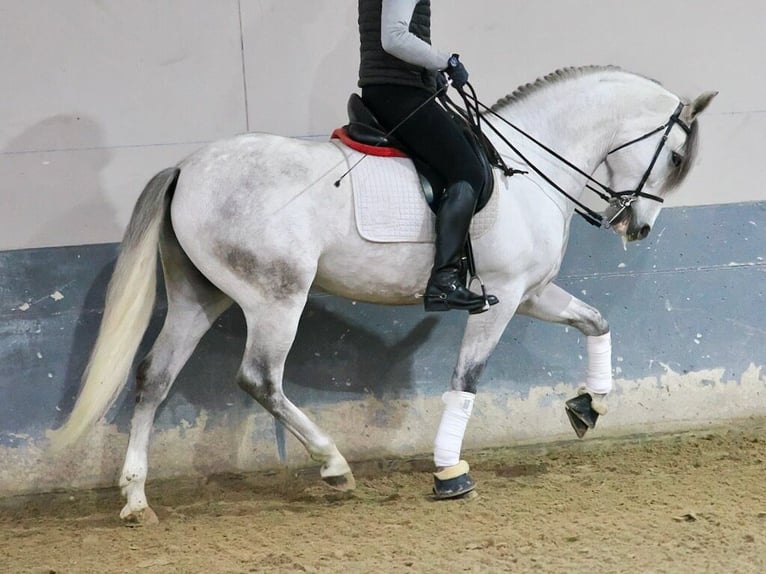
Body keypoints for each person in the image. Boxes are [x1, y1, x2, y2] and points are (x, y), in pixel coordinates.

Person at [358, 0, 498, 314]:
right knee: (468, 171)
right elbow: (394, 37)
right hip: (398, 93)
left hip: (394, 88)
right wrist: (444, 61)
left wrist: (429, 73)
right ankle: (444, 281)